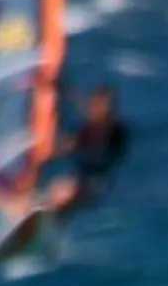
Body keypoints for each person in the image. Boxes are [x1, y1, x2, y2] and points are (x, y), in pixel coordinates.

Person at [41, 83, 130, 219]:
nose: (101, 113)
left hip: (99, 182)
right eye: (97, 107)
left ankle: (48, 221)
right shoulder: (87, 129)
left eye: (106, 111)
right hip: (81, 175)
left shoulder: (117, 132)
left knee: (69, 193)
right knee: (56, 189)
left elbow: (105, 154)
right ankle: (46, 220)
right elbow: (79, 101)